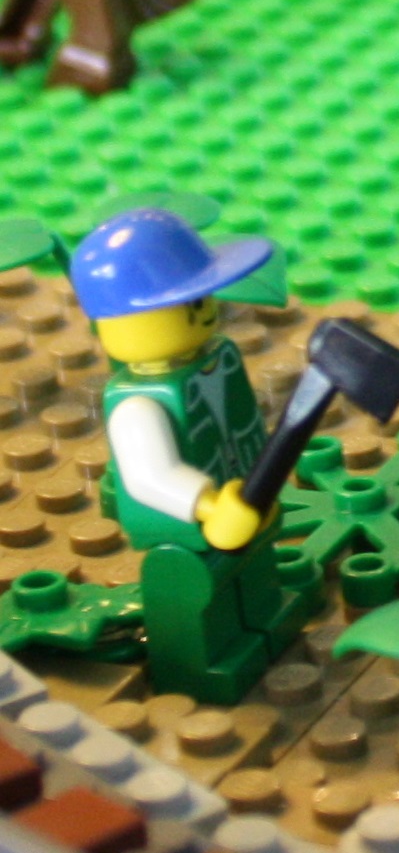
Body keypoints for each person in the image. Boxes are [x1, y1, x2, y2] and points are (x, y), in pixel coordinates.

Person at [71, 207, 304, 701]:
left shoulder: (216, 360)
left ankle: (264, 621)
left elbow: (239, 421)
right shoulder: (138, 403)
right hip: (190, 526)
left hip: (244, 499)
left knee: (256, 570)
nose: (203, 309)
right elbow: (150, 476)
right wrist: (209, 507)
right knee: (198, 594)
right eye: (187, 301)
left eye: (201, 297)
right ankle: (205, 660)